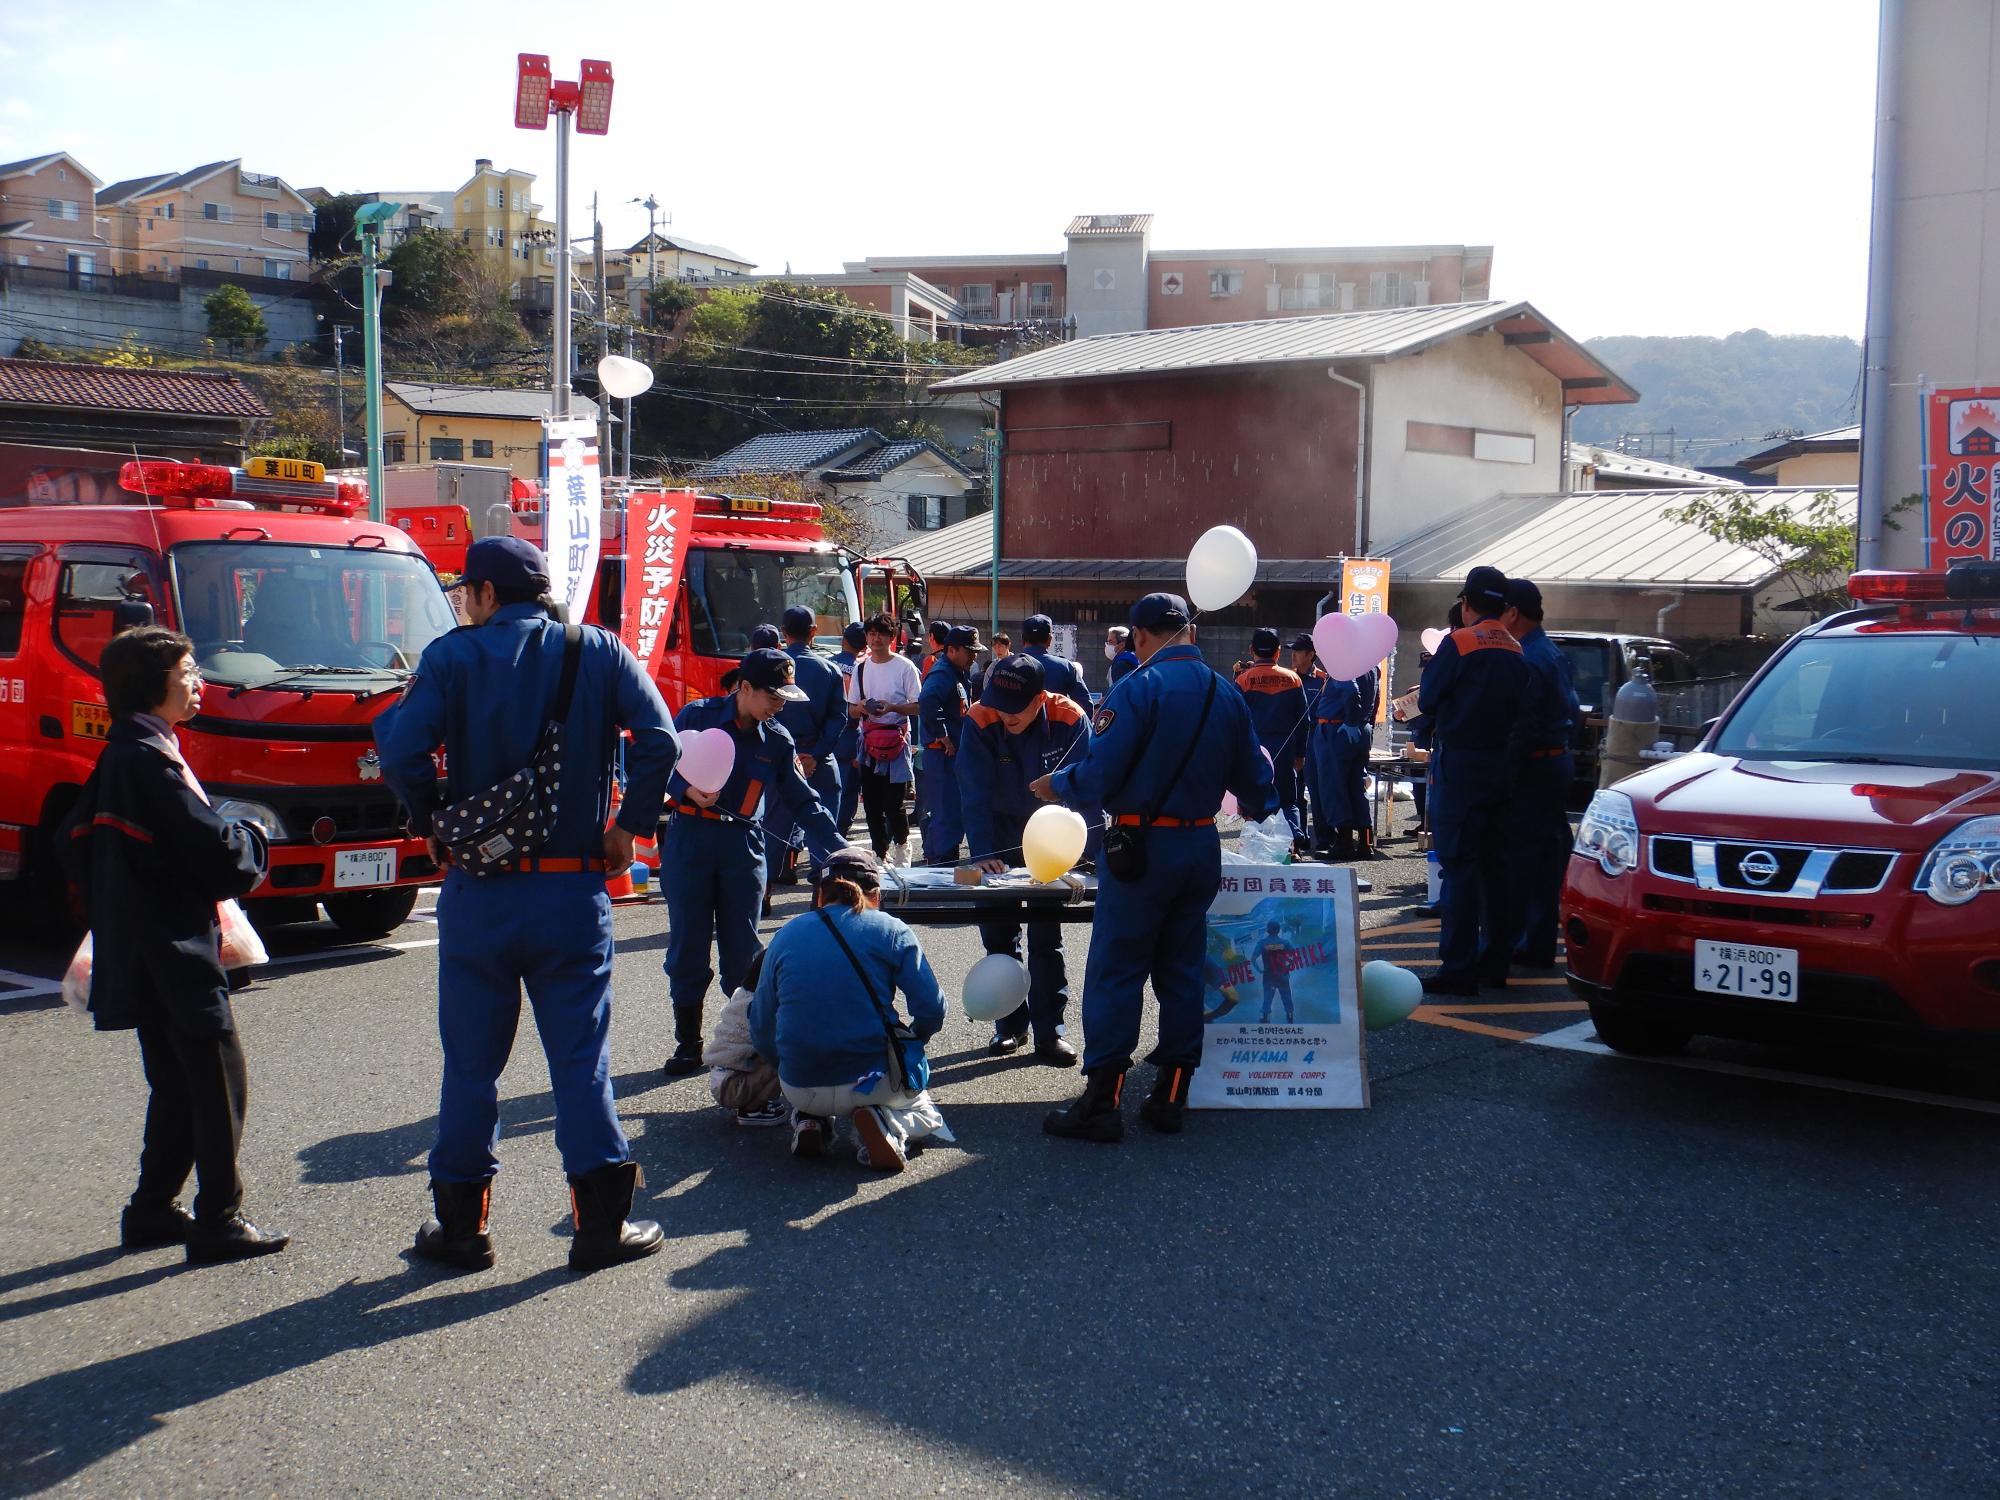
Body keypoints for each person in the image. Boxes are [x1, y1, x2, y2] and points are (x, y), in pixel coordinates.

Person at [376, 536, 678, 1273]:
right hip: (572, 888)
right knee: (581, 1062)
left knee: (470, 1067)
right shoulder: (595, 649)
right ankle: (600, 1229)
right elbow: (660, 740)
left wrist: (435, 819)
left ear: (482, 593)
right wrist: (628, 826)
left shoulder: (451, 657)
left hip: (479, 893)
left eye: (465, 592)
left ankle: (463, 1229)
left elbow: (401, 753)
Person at [57, 627, 285, 1264]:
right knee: (217, 1081)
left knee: (178, 1085)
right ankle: (218, 1218)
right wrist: (251, 836)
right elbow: (219, 856)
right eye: (187, 670)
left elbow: (71, 842)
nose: (196, 680)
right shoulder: (150, 761)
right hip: (174, 948)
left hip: (141, 945)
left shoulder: (123, 752)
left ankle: (152, 1211)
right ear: (153, 684)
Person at [1033, 593, 1275, 1142]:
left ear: (1141, 636)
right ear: (1189, 632)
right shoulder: (1226, 692)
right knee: (1183, 970)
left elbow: (1100, 775)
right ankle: (1171, 1097)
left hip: (1142, 849)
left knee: (1118, 970)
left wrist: (1057, 786)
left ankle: (1102, 1105)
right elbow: (1258, 790)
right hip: (1199, 847)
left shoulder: (1137, 688)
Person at [659, 648, 847, 1076]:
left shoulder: (778, 740)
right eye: (773, 697)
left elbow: (804, 801)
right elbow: (653, 763)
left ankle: (745, 1040)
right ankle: (688, 1042)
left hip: (742, 848)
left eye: (785, 699)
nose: (780, 706)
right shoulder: (696, 716)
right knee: (687, 944)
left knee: (744, 950)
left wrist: (838, 848)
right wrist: (685, 790)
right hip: (689, 840)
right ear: (744, 688)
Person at [749, 847, 946, 1172]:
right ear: (876, 893)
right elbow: (933, 1008)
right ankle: (887, 1126)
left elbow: (760, 1024)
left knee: (810, 1067)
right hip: (873, 1080)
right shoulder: (891, 930)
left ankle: (809, 1120)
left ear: (819, 895)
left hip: (801, 1082)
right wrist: (912, 1043)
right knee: (927, 1114)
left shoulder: (786, 935)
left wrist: (784, 1063)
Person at [956, 652, 1091, 1064]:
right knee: (997, 934)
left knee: (1046, 936)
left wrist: (1074, 852)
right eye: (999, 703)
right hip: (996, 834)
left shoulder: (1070, 719)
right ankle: (1009, 1024)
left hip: (1049, 836)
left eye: (1016, 708)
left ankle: (1051, 1032)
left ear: (1041, 697)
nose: (1005, 714)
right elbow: (973, 791)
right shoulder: (980, 718)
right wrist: (981, 855)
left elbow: (1087, 787)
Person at [1417, 566, 1529, 997]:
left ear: (1466, 604)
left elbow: (1427, 699)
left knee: (1460, 868)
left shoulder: (1458, 643)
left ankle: (1459, 968)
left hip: (1461, 765)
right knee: (1496, 868)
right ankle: (1494, 962)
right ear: (1504, 607)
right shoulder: (1516, 649)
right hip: (1500, 765)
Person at [1500, 578, 1580, 968]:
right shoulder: (1551, 651)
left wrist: (1505, 775)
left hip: (1534, 766)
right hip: (1557, 761)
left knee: (1524, 859)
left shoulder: (1528, 656)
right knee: (1548, 857)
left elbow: (1522, 725)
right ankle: (1539, 942)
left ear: (1512, 613)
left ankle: (1523, 942)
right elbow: (1575, 710)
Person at [764, 604, 846, 886]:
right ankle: (824, 893)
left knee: (772, 828)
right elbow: (839, 718)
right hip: (820, 758)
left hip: (779, 757)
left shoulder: (773, 668)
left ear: (784, 633)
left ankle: (763, 892)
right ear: (814, 632)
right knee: (824, 827)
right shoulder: (830, 669)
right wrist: (816, 754)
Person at [846, 612, 923, 866]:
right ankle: (879, 853)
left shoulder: (905, 667)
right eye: (871, 633)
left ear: (892, 637)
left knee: (894, 803)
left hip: (897, 741)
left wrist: (892, 708)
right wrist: (862, 708)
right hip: (868, 740)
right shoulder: (860, 668)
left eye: (881, 633)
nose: (875, 638)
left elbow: (918, 706)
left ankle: (902, 846)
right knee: (871, 804)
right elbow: (851, 709)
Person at [1234, 627, 1310, 850]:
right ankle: (1292, 846)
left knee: (1252, 801)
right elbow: (1303, 720)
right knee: (1287, 800)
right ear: (1278, 652)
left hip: (1253, 750)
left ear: (1251, 650)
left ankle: (1255, 848)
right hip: (1285, 747)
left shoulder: (1243, 680)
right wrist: (1300, 753)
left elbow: (1235, 720)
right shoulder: (1293, 679)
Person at [703, 944, 789, 1127]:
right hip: (734, 1085)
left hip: (725, 1080)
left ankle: (753, 1102)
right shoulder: (759, 1006)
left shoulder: (742, 995)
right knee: (788, 1056)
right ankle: (753, 1108)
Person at [917, 623, 979, 864]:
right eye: (969, 651)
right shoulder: (944, 672)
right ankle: (942, 862)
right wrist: (942, 733)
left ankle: (937, 857)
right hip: (942, 754)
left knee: (944, 811)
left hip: (947, 755)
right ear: (951, 650)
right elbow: (928, 700)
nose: (974, 657)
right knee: (947, 811)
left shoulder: (955, 673)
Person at [1310, 650, 1379, 861]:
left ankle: (1344, 843)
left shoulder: (1343, 663)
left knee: (1334, 786)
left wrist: (1350, 720)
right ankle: (1366, 843)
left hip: (1337, 730)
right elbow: (1374, 700)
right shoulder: (1371, 666)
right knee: (1357, 786)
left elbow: (1350, 690)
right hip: (1360, 729)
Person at [1288, 633, 1326, 847]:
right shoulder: (1288, 677)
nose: (1293, 655)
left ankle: (1324, 838)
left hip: (1315, 739)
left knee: (1317, 790)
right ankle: (1298, 837)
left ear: (1311, 654)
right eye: (1292, 650)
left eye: (1297, 651)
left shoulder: (1323, 678)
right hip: (1293, 740)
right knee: (1294, 790)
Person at [832, 620, 868, 837]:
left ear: (843, 640)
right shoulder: (862, 670)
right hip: (851, 736)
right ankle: (841, 831)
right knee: (848, 789)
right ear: (865, 646)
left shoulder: (826, 664)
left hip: (826, 736)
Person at [1021, 613, 1093, 715]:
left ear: (1022, 639)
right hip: (1057, 728)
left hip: (1015, 729)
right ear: (1049, 639)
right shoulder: (1065, 667)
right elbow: (1085, 707)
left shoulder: (1005, 666)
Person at [1257, 922, 1296, 1024]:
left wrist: (1259, 970)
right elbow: (1295, 955)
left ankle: (1265, 1017)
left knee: (1268, 996)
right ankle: (1290, 1015)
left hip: (1269, 975)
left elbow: (1252, 959)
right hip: (1282, 974)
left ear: (1267, 930)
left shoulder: (1262, 943)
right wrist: (1289, 966)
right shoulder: (1285, 943)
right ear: (1278, 930)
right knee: (1286, 995)